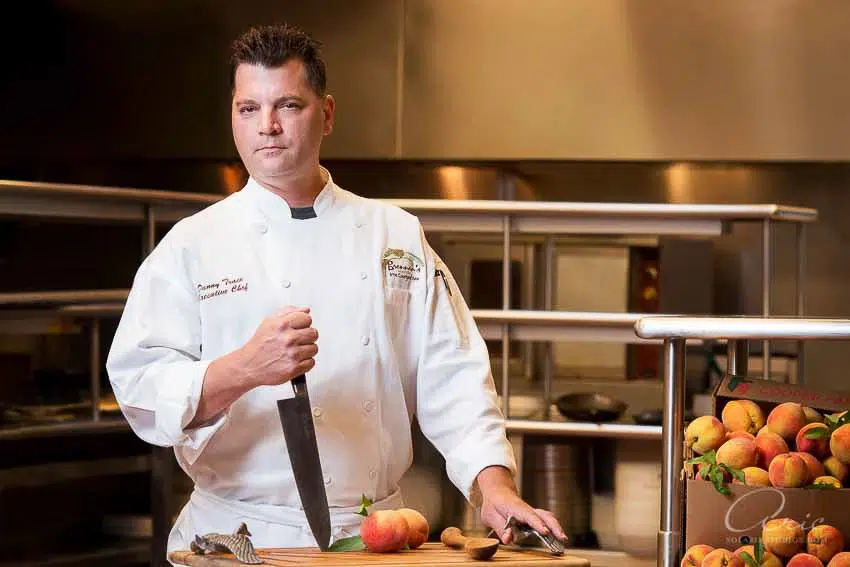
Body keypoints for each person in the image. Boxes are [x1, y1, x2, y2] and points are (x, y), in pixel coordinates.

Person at [105, 22, 567, 560]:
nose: (268, 127)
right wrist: (246, 368)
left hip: (374, 537)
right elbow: (139, 387)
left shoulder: (393, 235)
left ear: (325, 114)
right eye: (248, 109)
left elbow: (454, 373)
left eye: (288, 106)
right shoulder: (192, 245)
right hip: (237, 538)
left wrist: (495, 488)